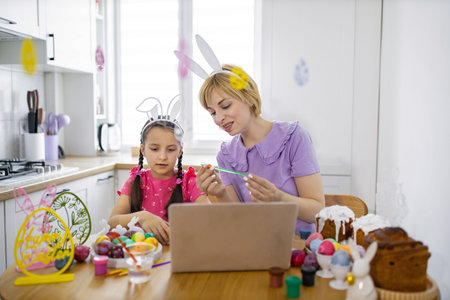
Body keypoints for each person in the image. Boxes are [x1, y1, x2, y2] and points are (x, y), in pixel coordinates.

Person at [194, 63, 325, 233]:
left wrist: (279, 198)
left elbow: (318, 211)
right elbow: (236, 219)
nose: (218, 119)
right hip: (254, 247)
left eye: (225, 106)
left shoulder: (294, 138)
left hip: (298, 248)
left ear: (248, 96)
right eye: (212, 112)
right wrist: (220, 194)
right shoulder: (226, 155)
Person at [109, 113, 209, 245]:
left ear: (180, 151)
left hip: (179, 252)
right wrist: (141, 217)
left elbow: (209, 219)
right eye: (155, 149)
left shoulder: (189, 181)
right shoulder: (136, 180)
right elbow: (111, 222)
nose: (162, 156)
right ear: (143, 150)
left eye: (171, 149)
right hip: (143, 254)